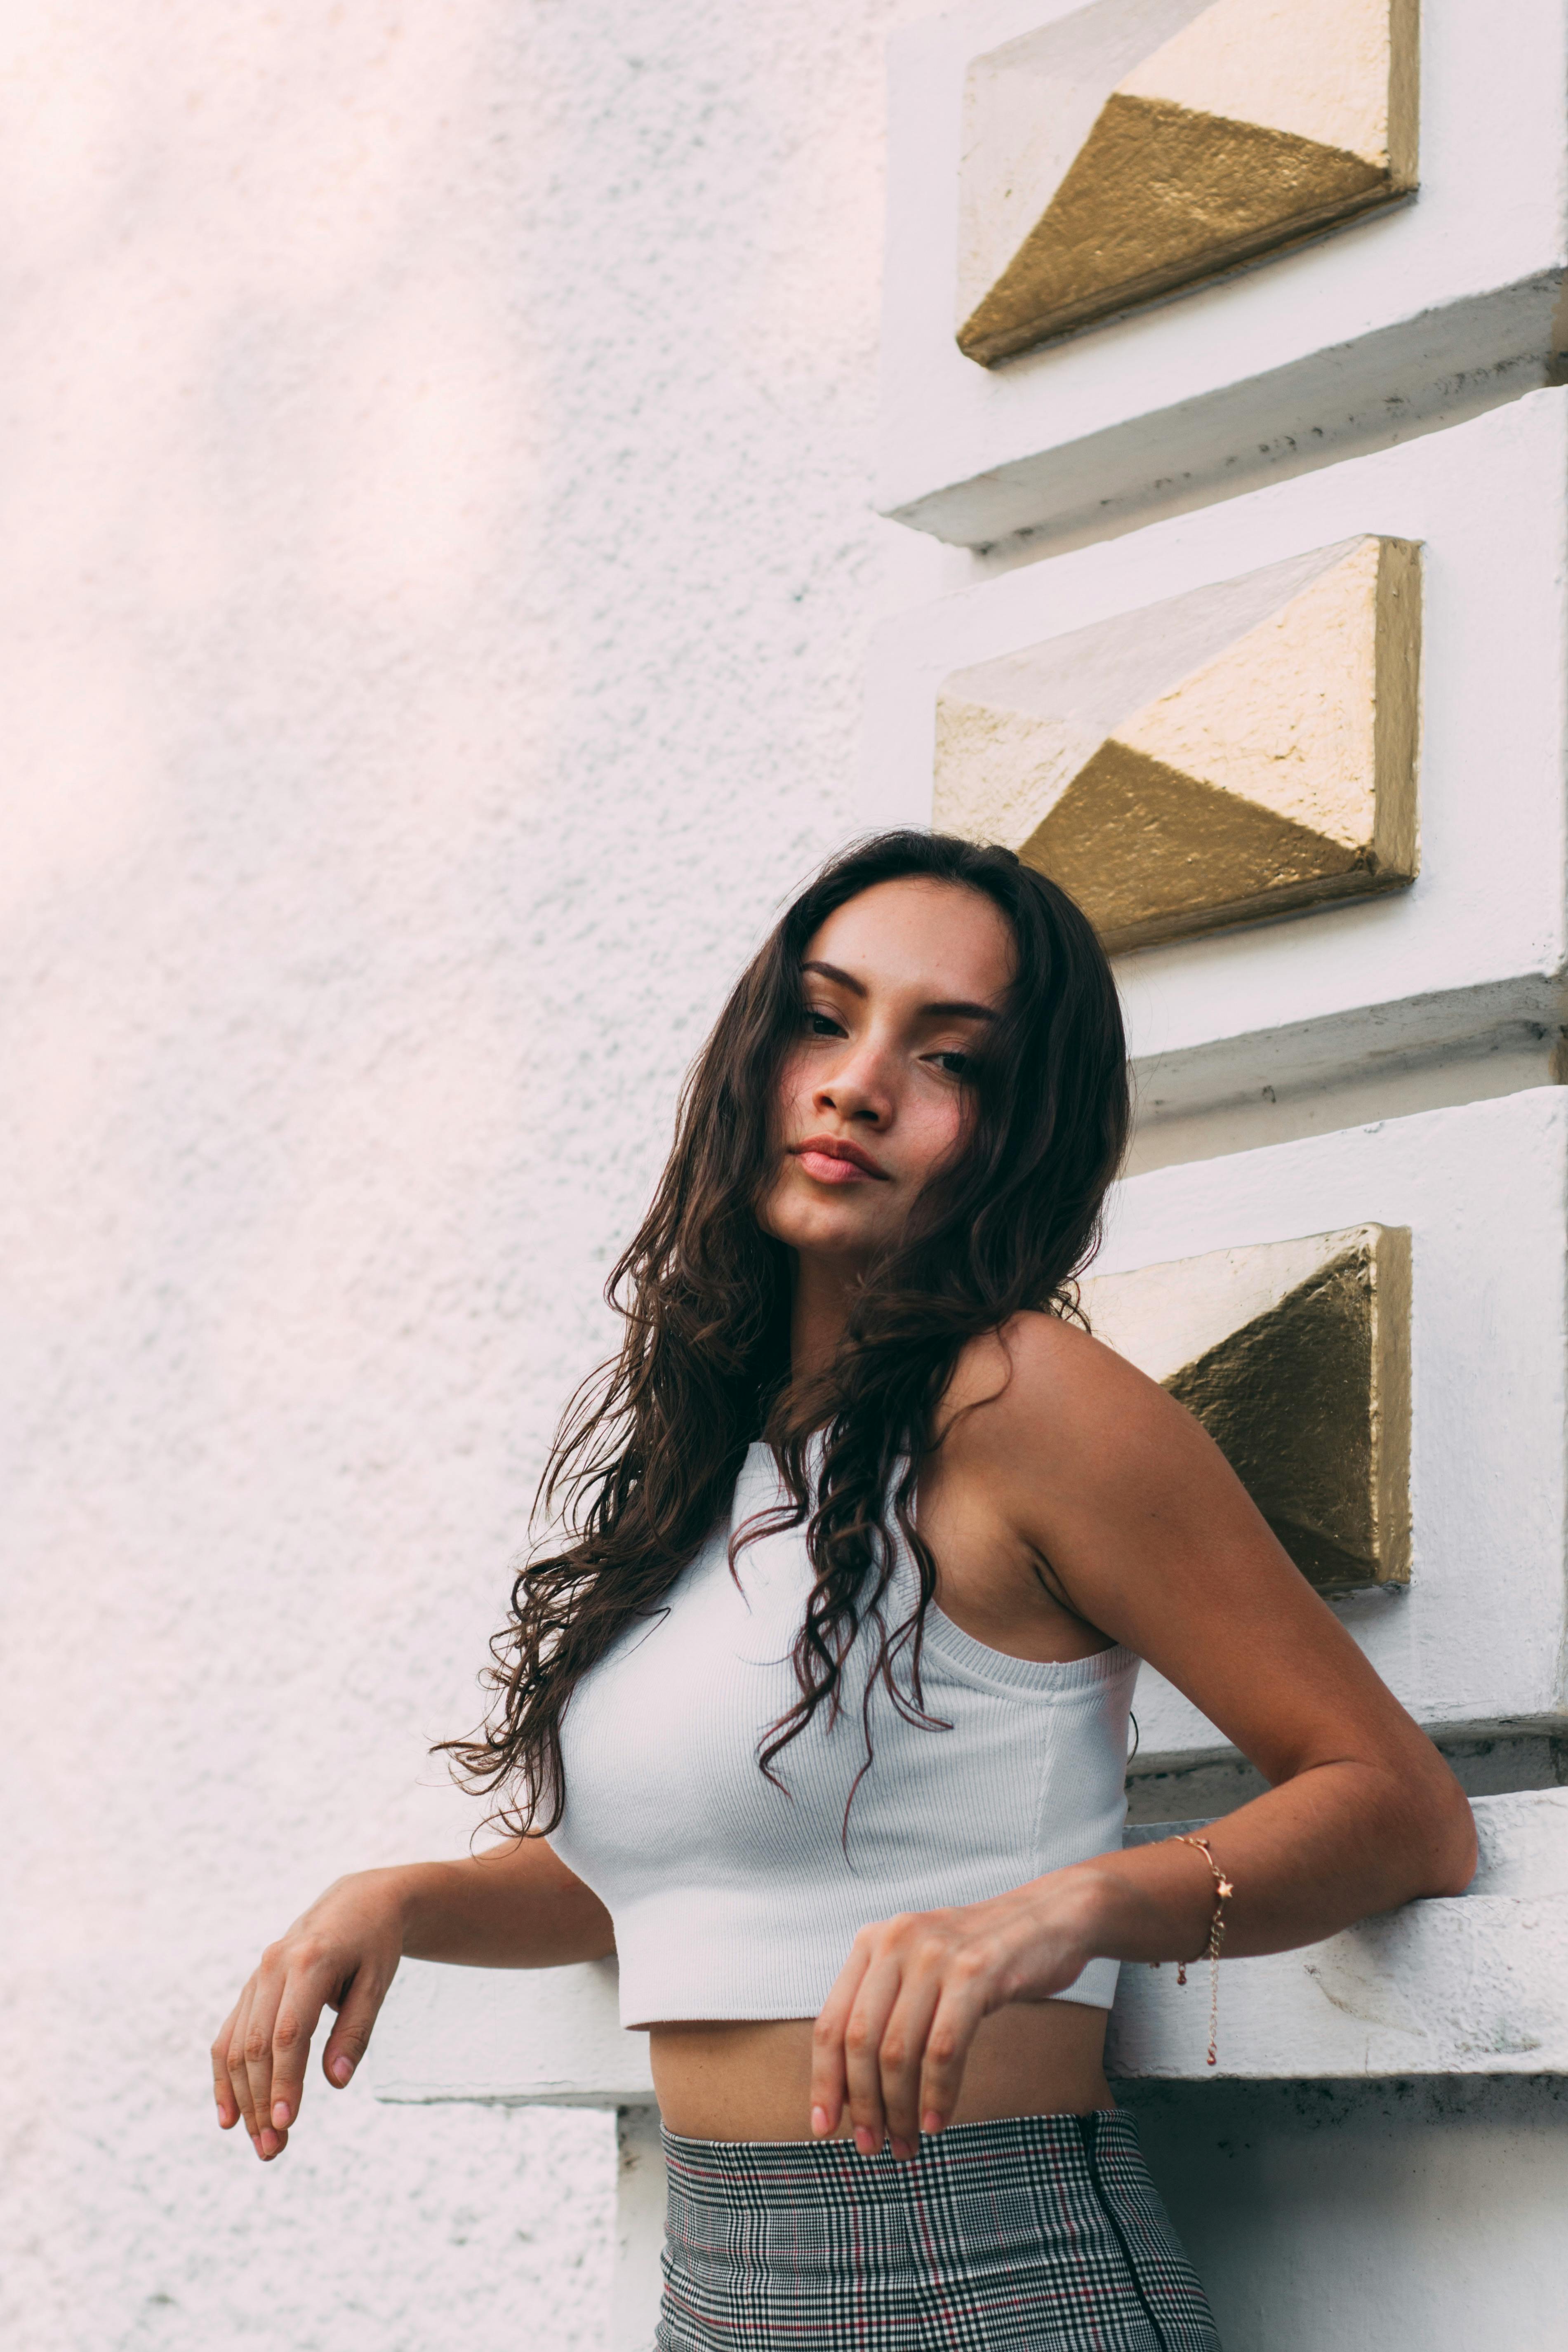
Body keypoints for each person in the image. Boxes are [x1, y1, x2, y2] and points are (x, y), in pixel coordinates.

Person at [213, 831, 1475, 2351]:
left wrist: (1068, 1910)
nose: (857, 1085)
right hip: (718, 2297)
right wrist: (402, 1898)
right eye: (822, 1020)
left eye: (947, 1058)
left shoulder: (1030, 1403)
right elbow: (687, 1863)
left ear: (1021, 1128)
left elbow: (1398, 1808)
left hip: (991, 2283)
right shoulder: (708, 1453)